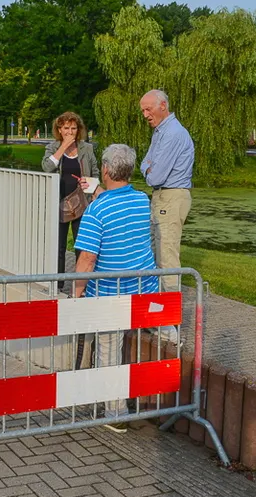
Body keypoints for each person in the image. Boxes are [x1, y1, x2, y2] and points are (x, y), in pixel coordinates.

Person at [73, 144, 159, 433]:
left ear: (106, 170)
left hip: (111, 293)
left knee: (109, 349)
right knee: (120, 345)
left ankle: (115, 414)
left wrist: (77, 291)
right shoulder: (141, 200)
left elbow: (87, 259)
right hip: (143, 290)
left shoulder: (97, 210)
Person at [139, 90, 194, 294]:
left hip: (171, 196)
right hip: (162, 197)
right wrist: (149, 167)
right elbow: (145, 163)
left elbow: (155, 177)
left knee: (167, 257)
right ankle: (156, 310)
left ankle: (169, 319)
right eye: (143, 110)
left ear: (163, 106)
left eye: (148, 109)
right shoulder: (160, 131)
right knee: (156, 253)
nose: (145, 114)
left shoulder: (172, 134)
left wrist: (149, 168)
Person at [41, 112, 100, 292]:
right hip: (58, 204)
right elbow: (46, 167)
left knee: (81, 247)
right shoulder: (53, 148)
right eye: (66, 128)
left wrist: (89, 183)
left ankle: (80, 287)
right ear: (59, 129)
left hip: (81, 203)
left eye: (73, 128)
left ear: (78, 130)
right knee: (58, 247)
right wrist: (63, 148)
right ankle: (58, 286)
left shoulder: (86, 149)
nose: (70, 132)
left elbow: (96, 173)